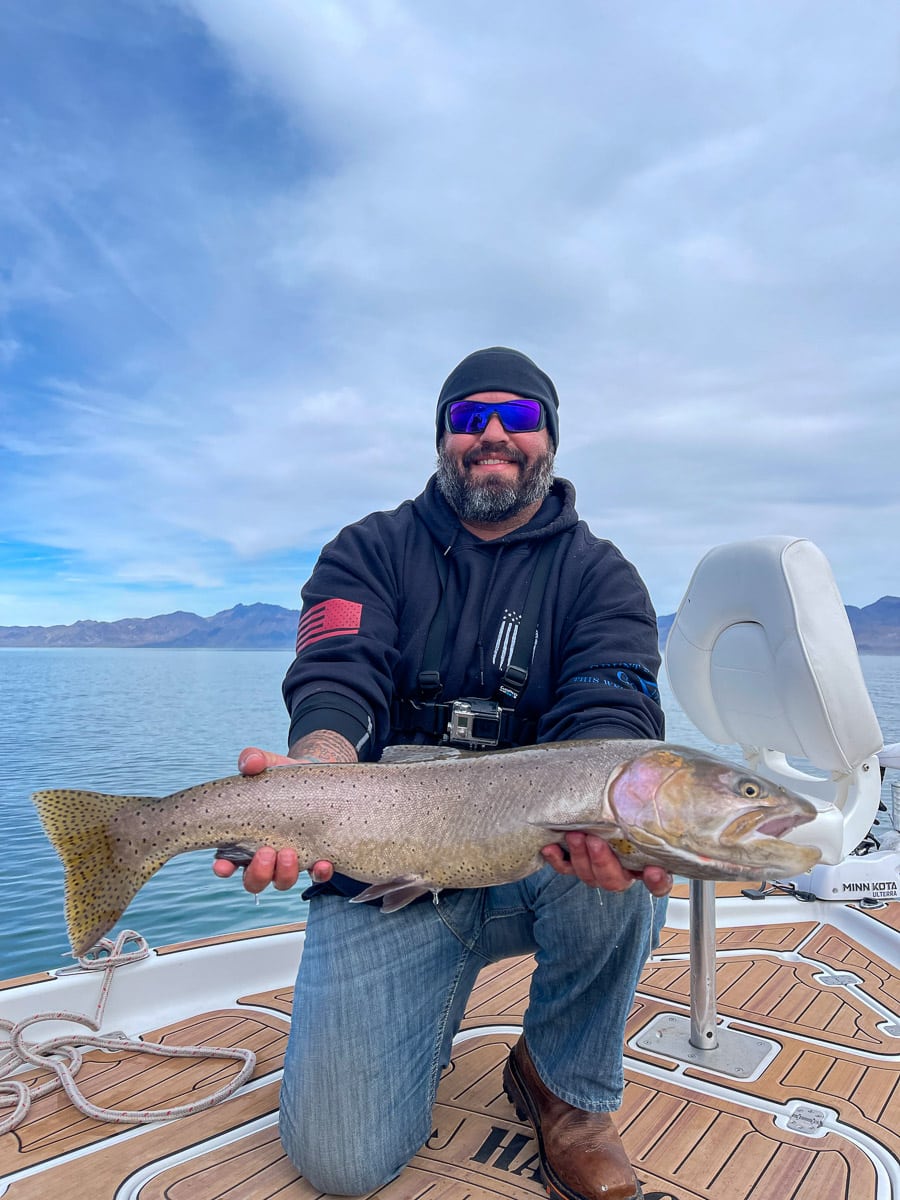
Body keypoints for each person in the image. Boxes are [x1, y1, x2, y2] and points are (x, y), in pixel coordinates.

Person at [215, 346, 671, 1200]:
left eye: (518, 418)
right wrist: (312, 773)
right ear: (441, 439)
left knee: (632, 856)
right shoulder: (367, 550)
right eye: (468, 418)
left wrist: (614, 797)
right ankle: (421, 1003)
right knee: (341, 1163)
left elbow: (612, 715)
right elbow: (335, 678)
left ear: (550, 440)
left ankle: (563, 1087)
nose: (493, 435)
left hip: (538, 866)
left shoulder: (602, 577)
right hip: (385, 867)